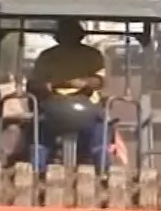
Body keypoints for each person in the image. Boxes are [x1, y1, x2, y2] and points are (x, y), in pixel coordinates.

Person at [26, 18, 109, 166]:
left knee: (100, 129)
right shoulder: (47, 56)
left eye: (71, 33)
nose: (68, 36)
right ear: (58, 36)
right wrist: (47, 85)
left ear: (79, 35)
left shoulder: (92, 55)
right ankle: (36, 170)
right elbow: (35, 82)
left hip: (87, 106)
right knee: (40, 130)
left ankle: (102, 169)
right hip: (54, 105)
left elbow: (99, 80)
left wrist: (85, 82)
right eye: (64, 33)